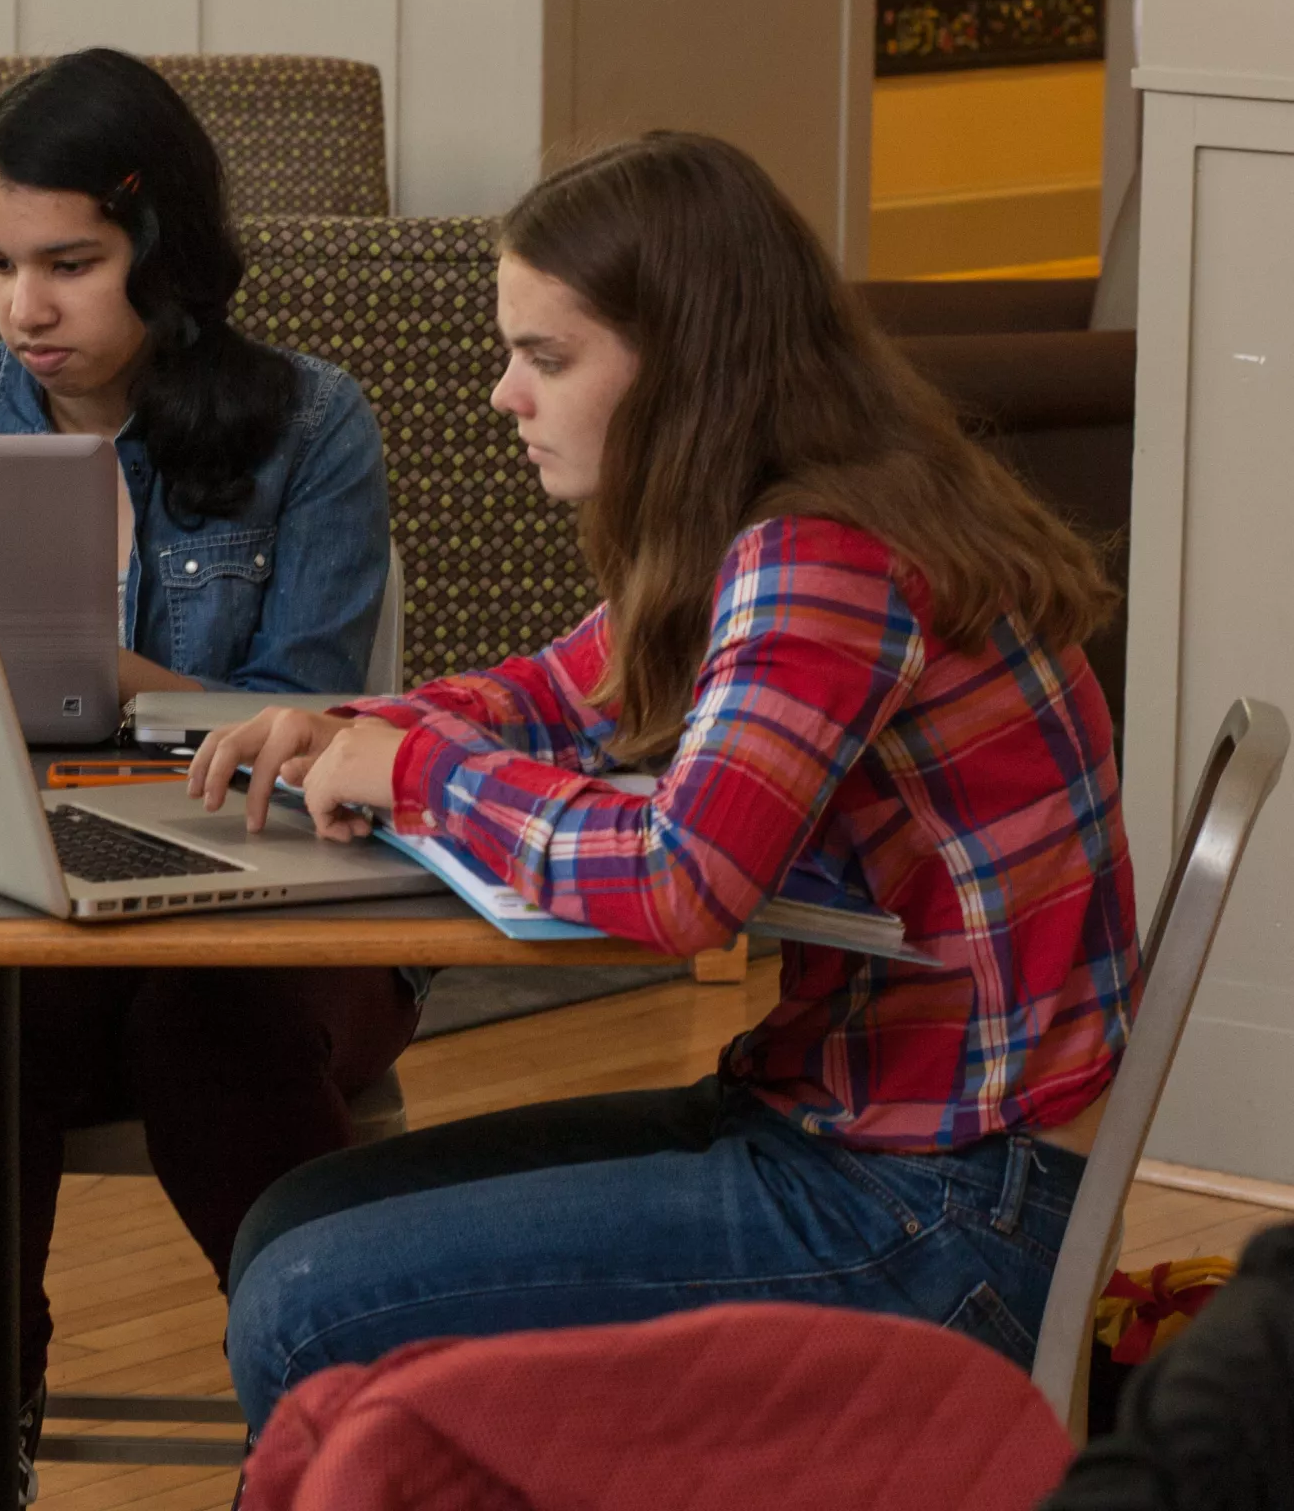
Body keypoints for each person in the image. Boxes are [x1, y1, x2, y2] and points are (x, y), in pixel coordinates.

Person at [205, 132, 1138, 1436]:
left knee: (308, 1295)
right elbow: (552, 691)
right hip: (876, 1132)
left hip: (943, 1208)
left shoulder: (825, 557)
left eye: (546, 357)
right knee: (293, 1225)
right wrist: (349, 727)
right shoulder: (794, 513)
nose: (503, 396)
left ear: (686, 364)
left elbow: (681, 881)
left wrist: (419, 772)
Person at [0, 48, 416, 1498]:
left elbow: (314, 732)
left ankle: (317, 1418)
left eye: (71, 264)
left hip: (261, 925)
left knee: (206, 1023)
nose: (25, 307)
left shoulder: (307, 425)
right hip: (16, 920)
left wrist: (95, 685)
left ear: (162, 249)